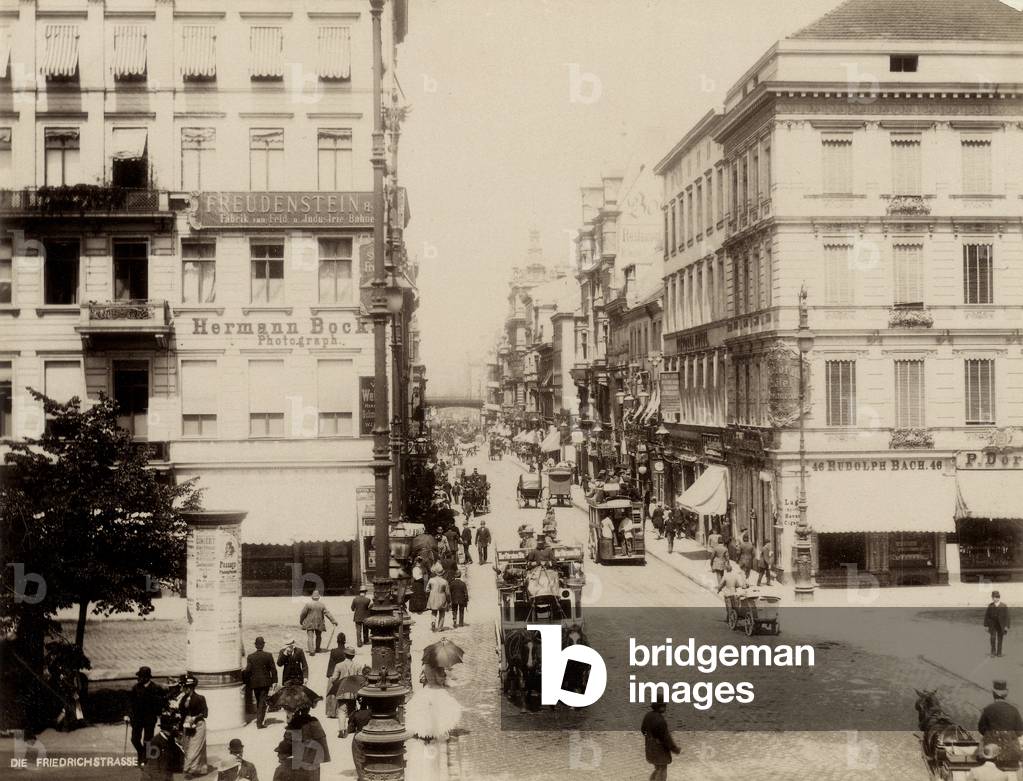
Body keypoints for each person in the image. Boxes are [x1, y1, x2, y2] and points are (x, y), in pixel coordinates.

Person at [978, 680, 1023, 770]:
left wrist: (993, 734)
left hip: (991, 754)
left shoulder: (988, 709)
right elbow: (1020, 731)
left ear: (993, 693)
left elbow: (981, 729)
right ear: (1006, 694)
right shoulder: (1014, 710)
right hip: (1011, 753)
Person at [127, 666, 166, 766]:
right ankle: (141, 753)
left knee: (147, 740)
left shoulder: (156, 688)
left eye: (140, 676)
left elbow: (162, 702)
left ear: (147, 677)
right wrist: (128, 715)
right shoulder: (136, 688)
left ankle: (145, 759)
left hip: (149, 719)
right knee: (134, 739)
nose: (138, 678)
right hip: (137, 719)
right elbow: (130, 703)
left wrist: (159, 712)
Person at [283, 708, 331, 781]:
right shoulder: (314, 720)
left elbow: (287, 741)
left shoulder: (295, 723)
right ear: (308, 709)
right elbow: (321, 737)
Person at [641, 701, 680, 781]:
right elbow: (666, 739)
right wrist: (675, 749)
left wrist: (650, 739)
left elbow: (643, 730)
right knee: (662, 770)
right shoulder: (660, 721)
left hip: (650, 748)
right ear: (660, 707)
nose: (665, 707)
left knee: (657, 768)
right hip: (660, 751)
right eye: (664, 705)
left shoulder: (648, 715)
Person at [178, 676, 209, 778]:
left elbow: (205, 713)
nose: (181, 688)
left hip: (198, 726)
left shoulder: (200, 698)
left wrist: (194, 718)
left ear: (189, 687)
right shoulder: (183, 699)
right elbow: (182, 715)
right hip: (186, 726)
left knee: (195, 748)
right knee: (187, 747)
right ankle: (198, 769)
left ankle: (191, 770)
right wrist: (179, 729)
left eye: (183, 686)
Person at [244, 636, 278, 729]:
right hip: (265, 683)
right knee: (262, 701)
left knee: (259, 700)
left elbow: (248, 670)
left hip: (254, 683)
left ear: (255, 645)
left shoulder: (250, 657)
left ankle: (260, 720)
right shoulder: (268, 655)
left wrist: (246, 681)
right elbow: (273, 670)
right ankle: (260, 722)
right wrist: (275, 681)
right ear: (263, 645)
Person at [142, 715, 182, 781]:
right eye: (175, 726)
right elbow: (153, 767)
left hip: (166, 774)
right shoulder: (154, 742)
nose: (177, 728)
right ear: (168, 728)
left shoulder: (170, 739)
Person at [299, 591, 337, 657]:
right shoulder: (322, 605)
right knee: (318, 636)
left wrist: (301, 621)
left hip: (309, 623)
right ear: (318, 597)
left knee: (310, 637)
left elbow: (303, 614)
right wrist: (333, 621)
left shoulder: (308, 604)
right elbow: (327, 613)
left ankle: (311, 651)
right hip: (319, 623)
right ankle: (318, 649)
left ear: (312, 597)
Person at [348, 698, 373, 781]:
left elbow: (350, 729)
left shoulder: (355, 714)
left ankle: (362, 777)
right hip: (370, 736)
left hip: (358, 736)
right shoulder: (372, 713)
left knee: (358, 758)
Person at [984, 590, 1010, 658]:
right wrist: (986, 625)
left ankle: (999, 652)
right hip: (992, 625)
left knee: (1000, 639)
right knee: (992, 638)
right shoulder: (990, 605)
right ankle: (993, 652)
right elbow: (987, 616)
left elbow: (1007, 617)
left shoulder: (1004, 605)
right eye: (993, 597)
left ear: (999, 598)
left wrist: (1006, 626)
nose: (994, 599)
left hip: (1001, 625)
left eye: (996, 597)